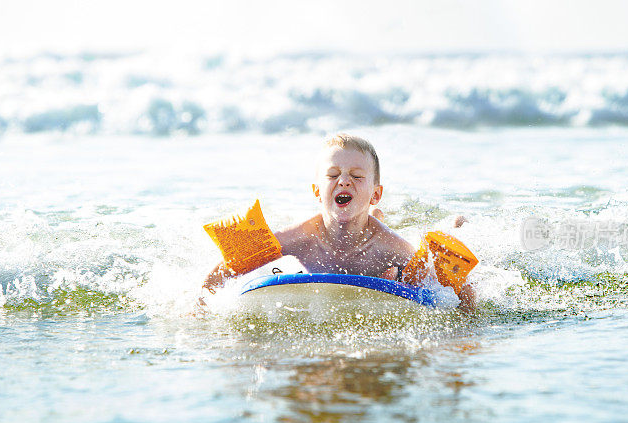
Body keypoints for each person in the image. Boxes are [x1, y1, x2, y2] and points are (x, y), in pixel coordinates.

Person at [202, 133, 477, 311]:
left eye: (357, 176)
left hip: (383, 270)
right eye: (332, 174)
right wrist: (200, 303)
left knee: (414, 265)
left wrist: (466, 322)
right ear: (316, 192)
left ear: (376, 194)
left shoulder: (387, 245)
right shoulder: (302, 237)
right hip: (335, 241)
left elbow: (455, 287)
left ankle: (454, 226)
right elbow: (233, 263)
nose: (343, 180)